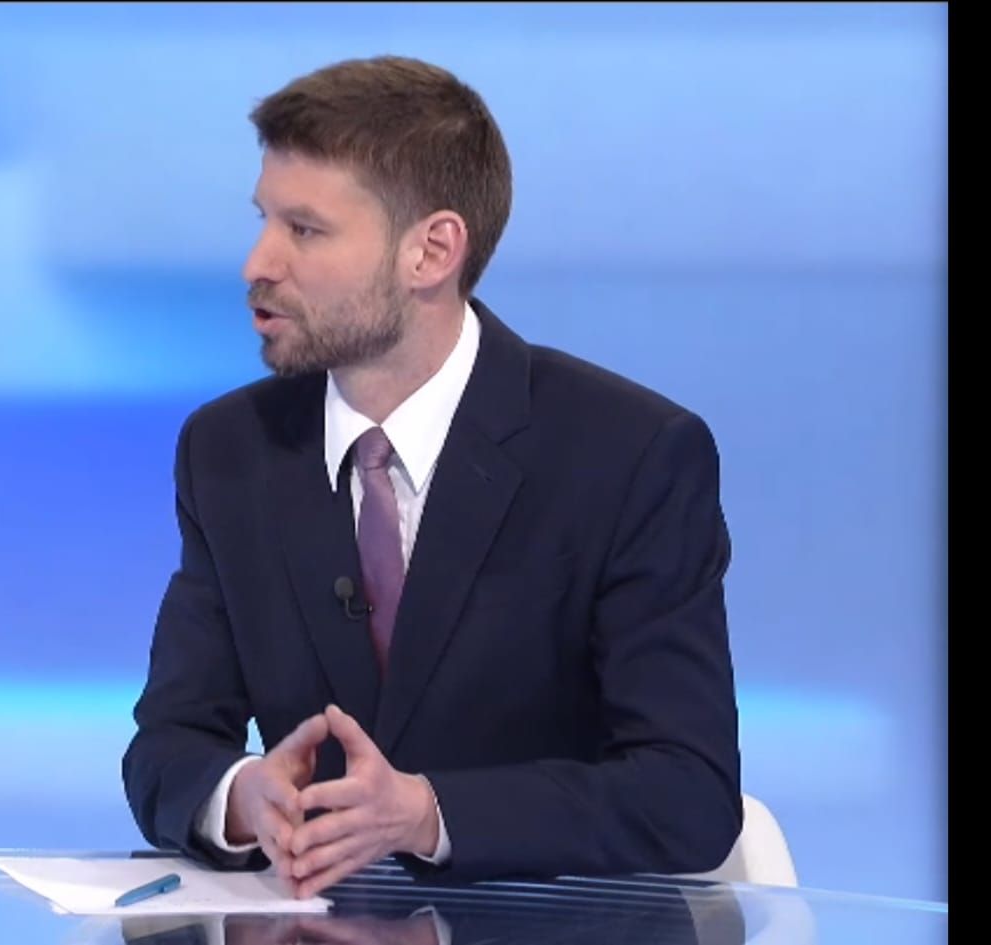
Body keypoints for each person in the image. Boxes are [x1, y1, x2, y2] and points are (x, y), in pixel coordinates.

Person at [120, 55, 743, 896]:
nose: (257, 262)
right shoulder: (231, 450)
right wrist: (240, 797)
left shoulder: (630, 455)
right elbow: (167, 747)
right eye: (264, 219)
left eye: (305, 230)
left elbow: (687, 794)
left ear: (432, 251)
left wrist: (428, 813)